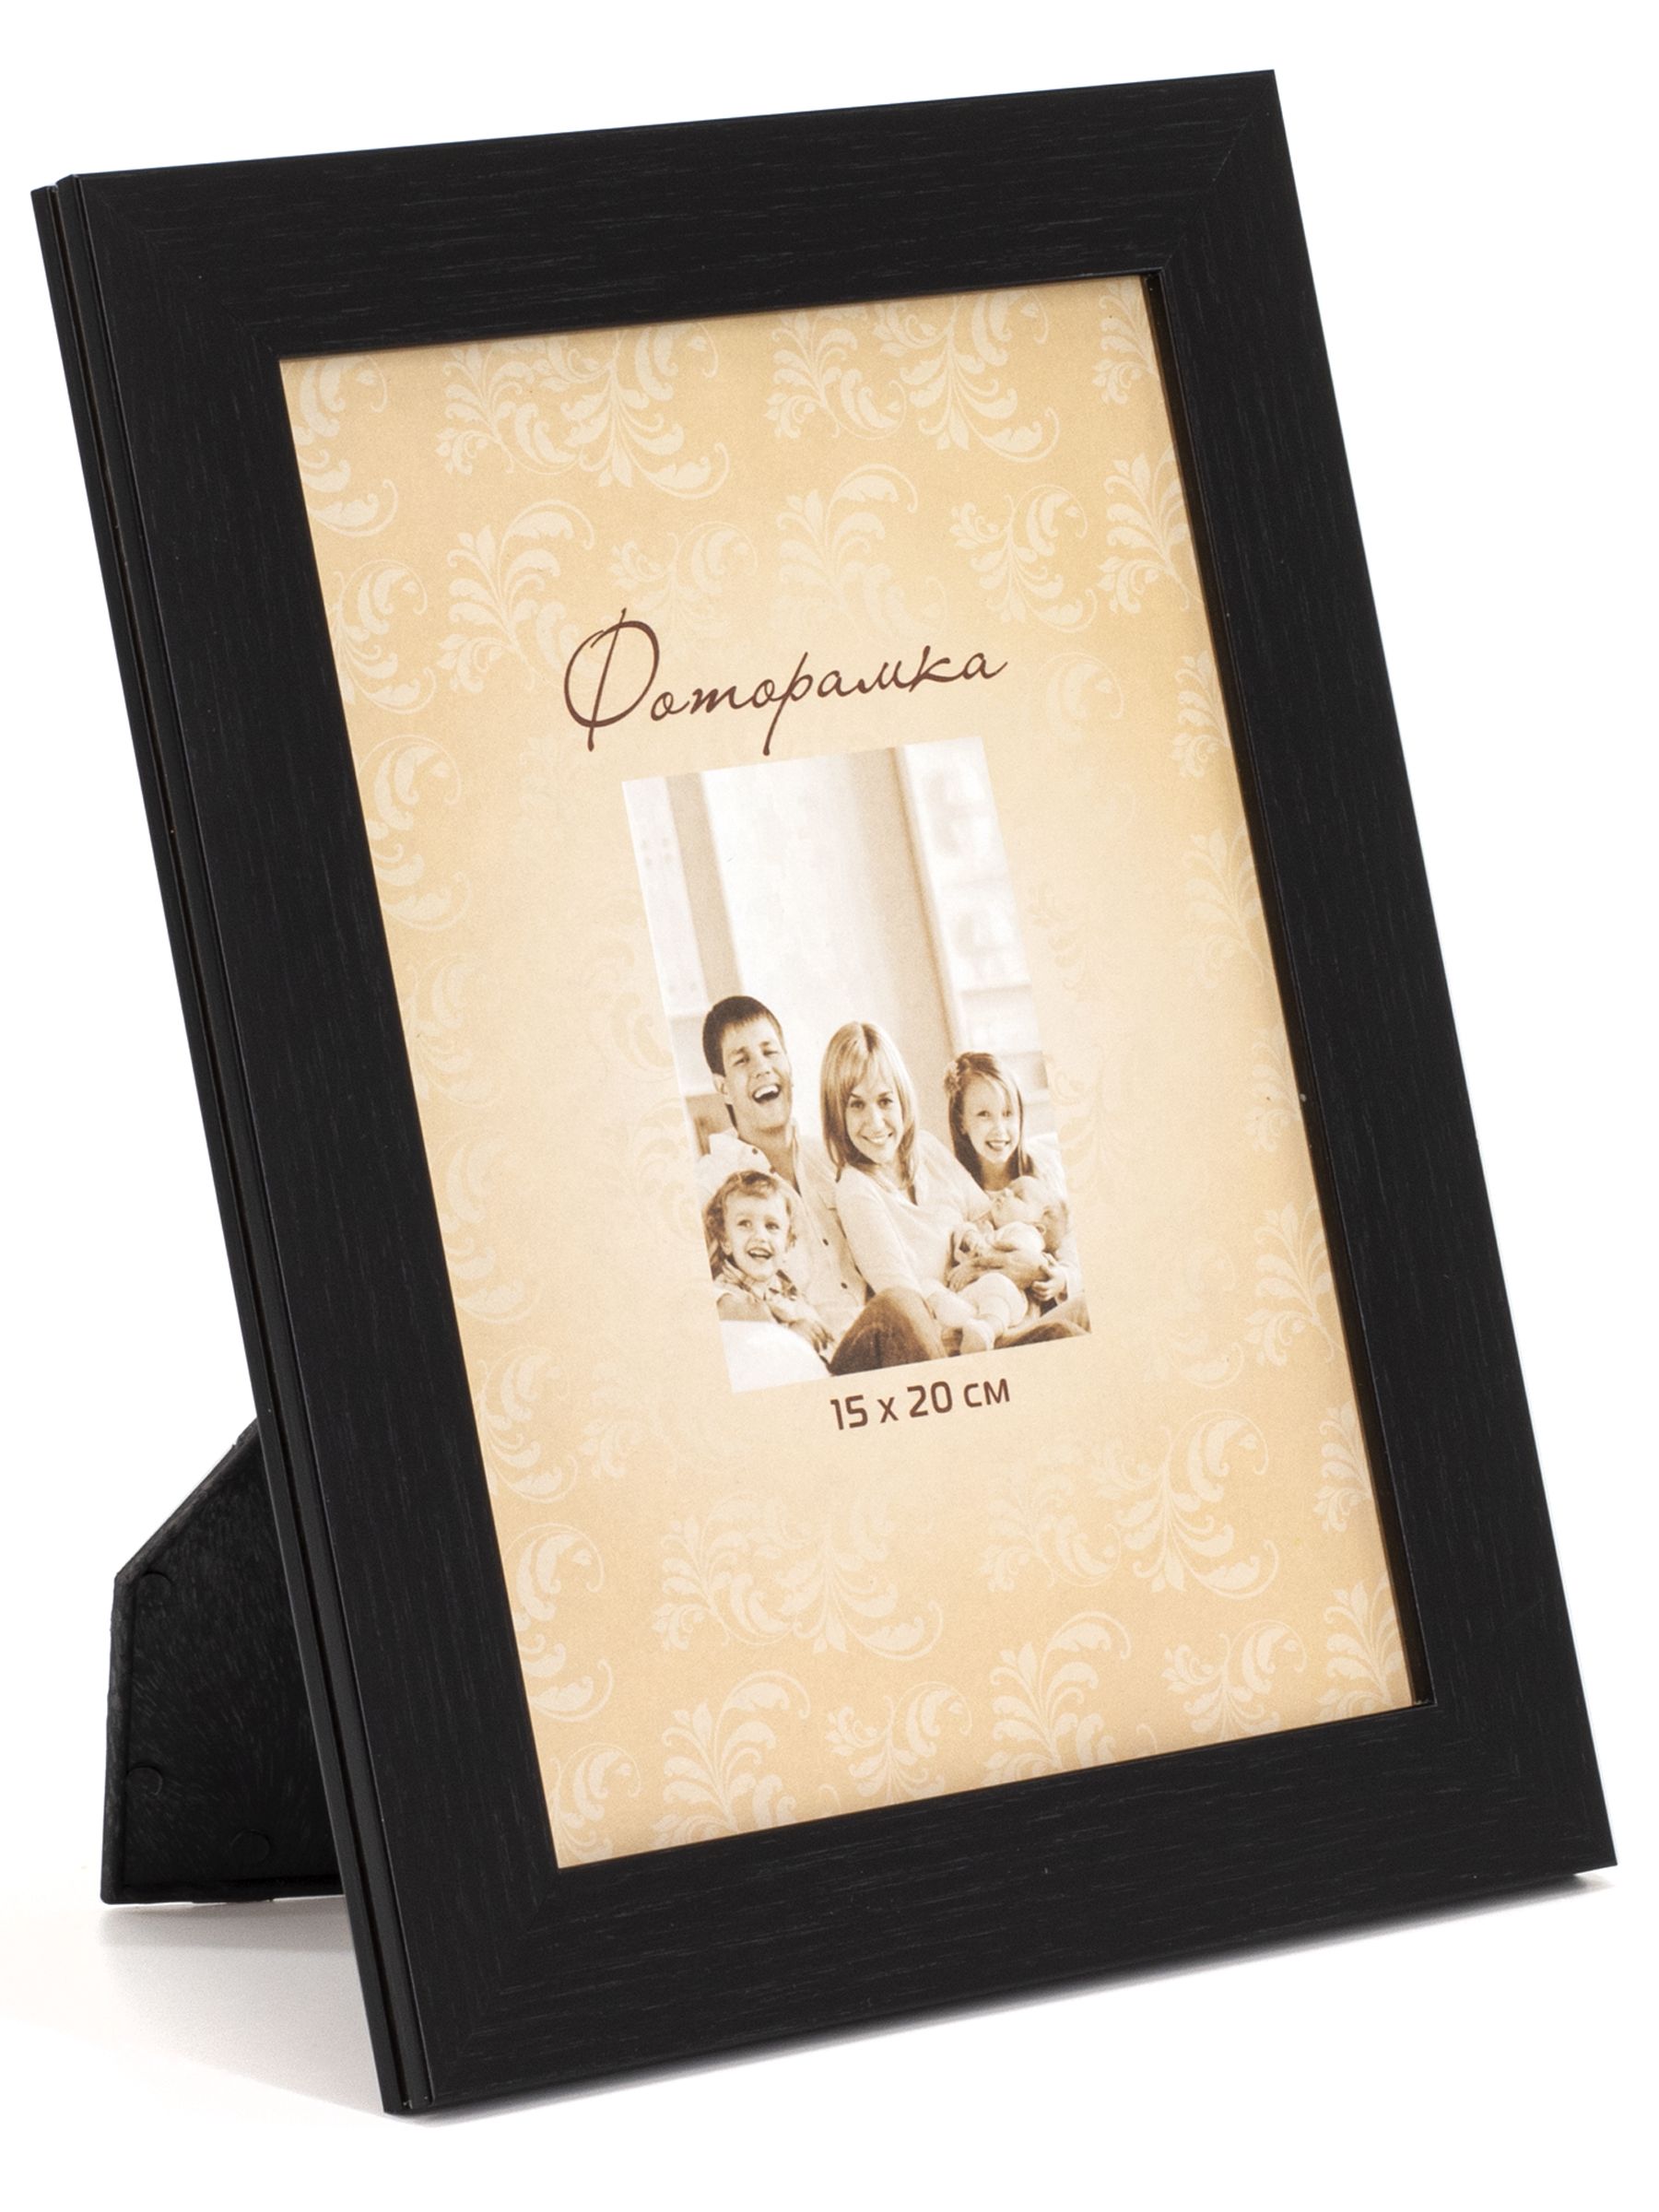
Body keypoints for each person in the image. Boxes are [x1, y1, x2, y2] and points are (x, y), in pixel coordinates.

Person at [695, 995, 946, 1375]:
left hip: (887, 1343)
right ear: (724, 1088)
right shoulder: (710, 1180)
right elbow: (679, 1292)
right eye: (742, 1061)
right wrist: (752, 1312)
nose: (762, 1068)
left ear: (789, 1066)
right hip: (818, 1363)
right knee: (900, 1305)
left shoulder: (833, 1156)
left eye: (770, 1052)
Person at [943, 1049, 1086, 1315]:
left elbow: (1076, 1250)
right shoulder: (956, 1191)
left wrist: (1061, 1277)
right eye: (984, 1114)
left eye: (1008, 1113)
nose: (1000, 1129)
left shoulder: (1045, 1169)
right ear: (962, 1121)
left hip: (1053, 1303)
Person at [704, 1168, 832, 1364]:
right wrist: (791, 1338)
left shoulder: (787, 1289)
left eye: (772, 1226)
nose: (760, 1236)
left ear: (788, 1245)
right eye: (744, 1224)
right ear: (725, 1241)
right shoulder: (725, 1298)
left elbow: (824, 1339)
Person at [935, 1176, 1071, 1354]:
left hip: (1007, 1301)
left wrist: (982, 1251)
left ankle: (987, 1329)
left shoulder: (1027, 1233)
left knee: (999, 1287)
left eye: (1018, 1196)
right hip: (972, 1296)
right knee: (931, 1287)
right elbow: (962, 1232)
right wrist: (969, 1234)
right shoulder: (989, 1226)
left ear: (1038, 1228)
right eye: (1008, 1187)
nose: (1005, 1192)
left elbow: (1022, 1255)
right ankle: (962, 1324)